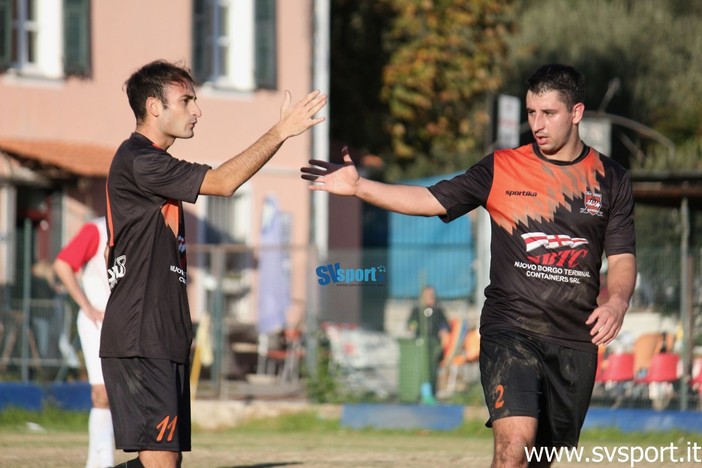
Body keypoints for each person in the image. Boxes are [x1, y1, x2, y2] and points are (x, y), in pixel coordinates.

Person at [302, 63, 636, 467]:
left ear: (577, 113)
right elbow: (431, 201)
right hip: (510, 331)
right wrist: (359, 187)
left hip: (572, 342)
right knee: (513, 449)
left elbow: (621, 257)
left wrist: (616, 302)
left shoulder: (611, 179)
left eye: (549, 113)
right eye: (532, 113)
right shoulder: (501, 167)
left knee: (539, 459)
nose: (538, 124)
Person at [102, 59, 326, 468]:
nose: (197, 110)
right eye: (186, 100)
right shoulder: (141, 160)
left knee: (165, 463)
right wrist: (281, 132)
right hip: (141, 335)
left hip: (158, 334)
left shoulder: (149, 166)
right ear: (154, 107)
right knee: (161, 463)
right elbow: (223, 183)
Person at [53, 217, 114, 468]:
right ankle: (102, 461)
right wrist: (87, 306)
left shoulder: (145, 222)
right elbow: (63, 264)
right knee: (102, 393)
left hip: (134, 323)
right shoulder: (97, 229)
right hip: (98, 322)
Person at [406, 285, 450, 401]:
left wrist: (443, 331)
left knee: (432, 370)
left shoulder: (438, 311)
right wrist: (412, 326)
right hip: (420, 346)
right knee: (422, 369)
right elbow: (411, 324)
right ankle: (422, 393)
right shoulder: (417, 310)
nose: (430, 297)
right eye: (428, 295)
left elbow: (445, 326)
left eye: (432, 295)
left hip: (434, 345)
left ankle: (432, 393)